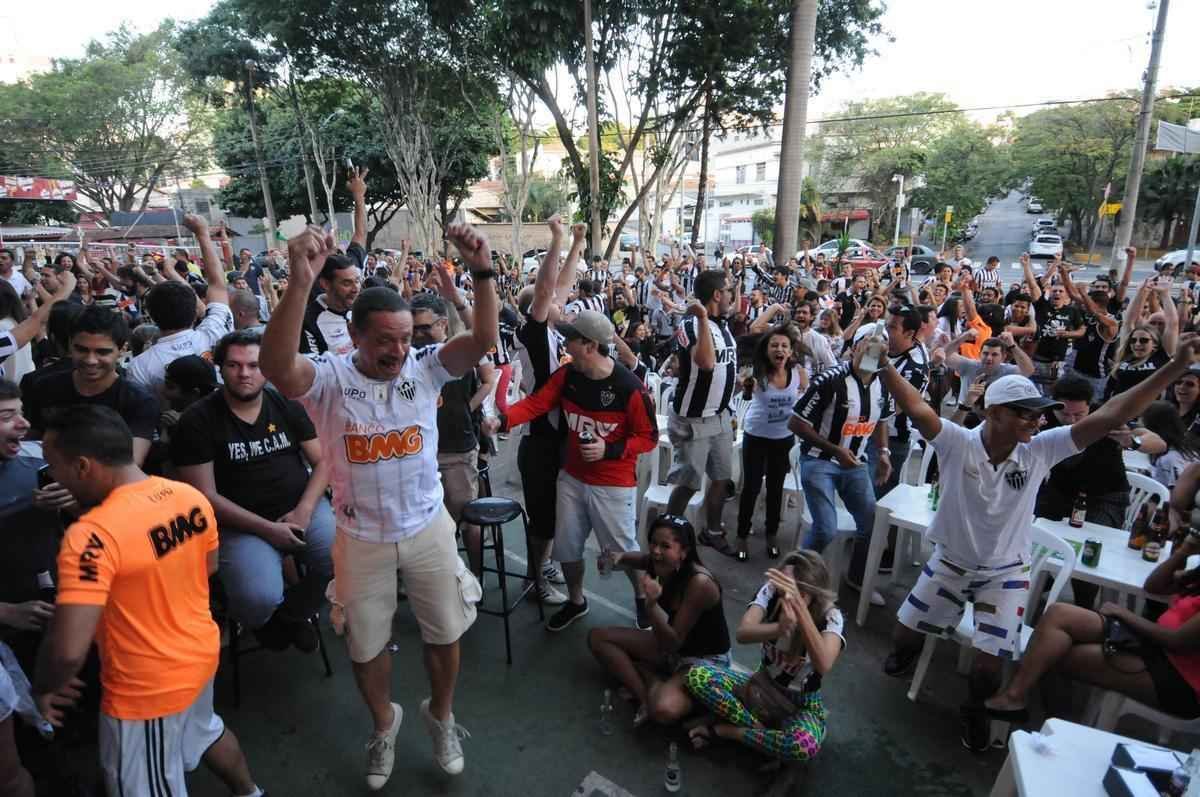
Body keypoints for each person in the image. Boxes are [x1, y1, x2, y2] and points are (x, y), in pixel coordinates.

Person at [878, 332, 1200, 753]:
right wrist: (882, 366)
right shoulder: (958, 443)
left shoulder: (1041, 450)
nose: (1039, 421)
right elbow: (918, 408)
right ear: (994, 413)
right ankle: (908, 650)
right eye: (1026, 413)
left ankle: (976, 710)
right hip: (949, 563)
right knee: (904, 639)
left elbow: (1113, 413)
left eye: (1040, 413)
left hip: (1006, 573)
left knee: (988, 666)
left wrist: (1175, 367)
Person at [260, 221, 497, 787]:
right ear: (356, 336)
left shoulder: (427, 366)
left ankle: (440, 716)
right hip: (360, 538)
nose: (398, 350)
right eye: (384, 340)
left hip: (427, 528)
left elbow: (484, 340)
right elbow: (276, 367)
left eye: (405, 338)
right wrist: (298, 282)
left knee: (445, 632)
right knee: (365, 645)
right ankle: (384, 723)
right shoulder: (329, 379)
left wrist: (482, 269)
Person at [32, 405, 264, 797]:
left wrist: (43, 687)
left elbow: (69, 649)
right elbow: (205, 568)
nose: (51, 476)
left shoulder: (90, 536)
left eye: (54, 466)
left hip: (145, 690)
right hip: (199, 655)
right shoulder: (187, 497)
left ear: (84, 466)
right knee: (203, 733)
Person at [171, 329, 334, 652]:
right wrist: (269, 530)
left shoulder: (285, 404)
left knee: (347, 562)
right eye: (234, 365)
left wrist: (303, 510)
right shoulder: (197, 421)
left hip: (302, 510)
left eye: (254, 365)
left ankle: (292, 615)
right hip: (240, 526)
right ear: (220, 368)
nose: (244, 373)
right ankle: (265, 620)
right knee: (257, 599)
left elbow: (325, 461)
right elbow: (205, 497)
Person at [496, 310, 658, 631]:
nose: (565, 342)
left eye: (571, 337)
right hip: (571, 477)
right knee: (568, 548)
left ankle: (641, 598)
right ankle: (576, 600)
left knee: (623, 550)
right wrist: (501, 420)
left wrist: (609, 449)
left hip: (614, 483)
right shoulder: (568, 375)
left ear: (589, 345)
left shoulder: (629, 387)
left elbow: (648, 437)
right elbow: (537, 403)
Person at [982, 531, 1200, 723]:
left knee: (1057, 654)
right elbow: (1154, 586)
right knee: (1059, 614)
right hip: (1152, 644)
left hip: (1178, 679)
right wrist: (1185, 550)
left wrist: (1124, 614)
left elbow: (1177, 641)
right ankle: (1016, 698)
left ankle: (1059, 726)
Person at [684, 551, 843, 761]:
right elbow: (743, 633)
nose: (786, 594)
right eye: (782, 584)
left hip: (801, 703)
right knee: (697, 676)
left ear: (812, 592)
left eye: (795, 590)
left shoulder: (831, 616)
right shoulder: (770, 593)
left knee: (803, 747)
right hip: (762, 685)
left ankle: (730, 732)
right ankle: (760, 732)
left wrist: (800, 611)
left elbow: (823, 664)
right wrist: (779, 628)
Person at [587, 514, 731, 726]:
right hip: (672, 650)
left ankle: (648, 675)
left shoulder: (700, 584)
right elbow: (642, 559)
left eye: (665, 546)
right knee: (597, 638)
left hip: (703, 660)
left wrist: (651, 605)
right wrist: (620, 557)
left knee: (664, 710)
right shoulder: (660, 562)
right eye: (653, 542)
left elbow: (671, 643)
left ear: (684, 551)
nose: (656, 551)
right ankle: (644, 698)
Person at [789, 324, 894, 566]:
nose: (873, 348)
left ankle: (858, 578)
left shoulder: (884, 383)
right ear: (855, 347)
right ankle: (792, 577)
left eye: (880, 344)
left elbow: (882, 422)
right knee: (826, 529)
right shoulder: (831, 380)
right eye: (868, 342)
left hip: (855, 464)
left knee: (872, 526)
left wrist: (884, 453)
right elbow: (795, 423)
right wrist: (836, 450)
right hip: (819, 461)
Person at [21, 305, 159, 467]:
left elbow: (133, 464)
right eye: (82, 350)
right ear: (70, 345)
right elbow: (32, 442)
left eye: (102, 352)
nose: (90, 360)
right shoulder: (44, 387)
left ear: (122, 350)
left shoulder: (139, 401)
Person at [666, 270, 738, 554]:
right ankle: (669, 535)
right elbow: (706, 362)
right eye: (729, 289)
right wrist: (704, 318)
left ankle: (712, 531)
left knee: (721, 478)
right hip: (693, 419)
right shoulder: (692, 324)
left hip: (719, 417)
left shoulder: (723, 324)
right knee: (688, 483)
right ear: (717, 295)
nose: (733, 294)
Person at [127, 215, 232, 394]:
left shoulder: (139, 367)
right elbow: (218, 285)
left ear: (151, 316)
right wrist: (202, 233)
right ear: (194, 312)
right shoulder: (215, 330)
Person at [736, 326, 808, 561]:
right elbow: (745, 390)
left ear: (790, 351)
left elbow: (806, 397)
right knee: (752, 487)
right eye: (774, 345)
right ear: (767, 350)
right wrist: (745, 385)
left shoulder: (798, 372)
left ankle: (771, 533)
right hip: (755, 436)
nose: (779, 349)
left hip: (783, 439)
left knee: (776, 489)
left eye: (784, 346)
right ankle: (742, 534)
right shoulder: (757, 372)